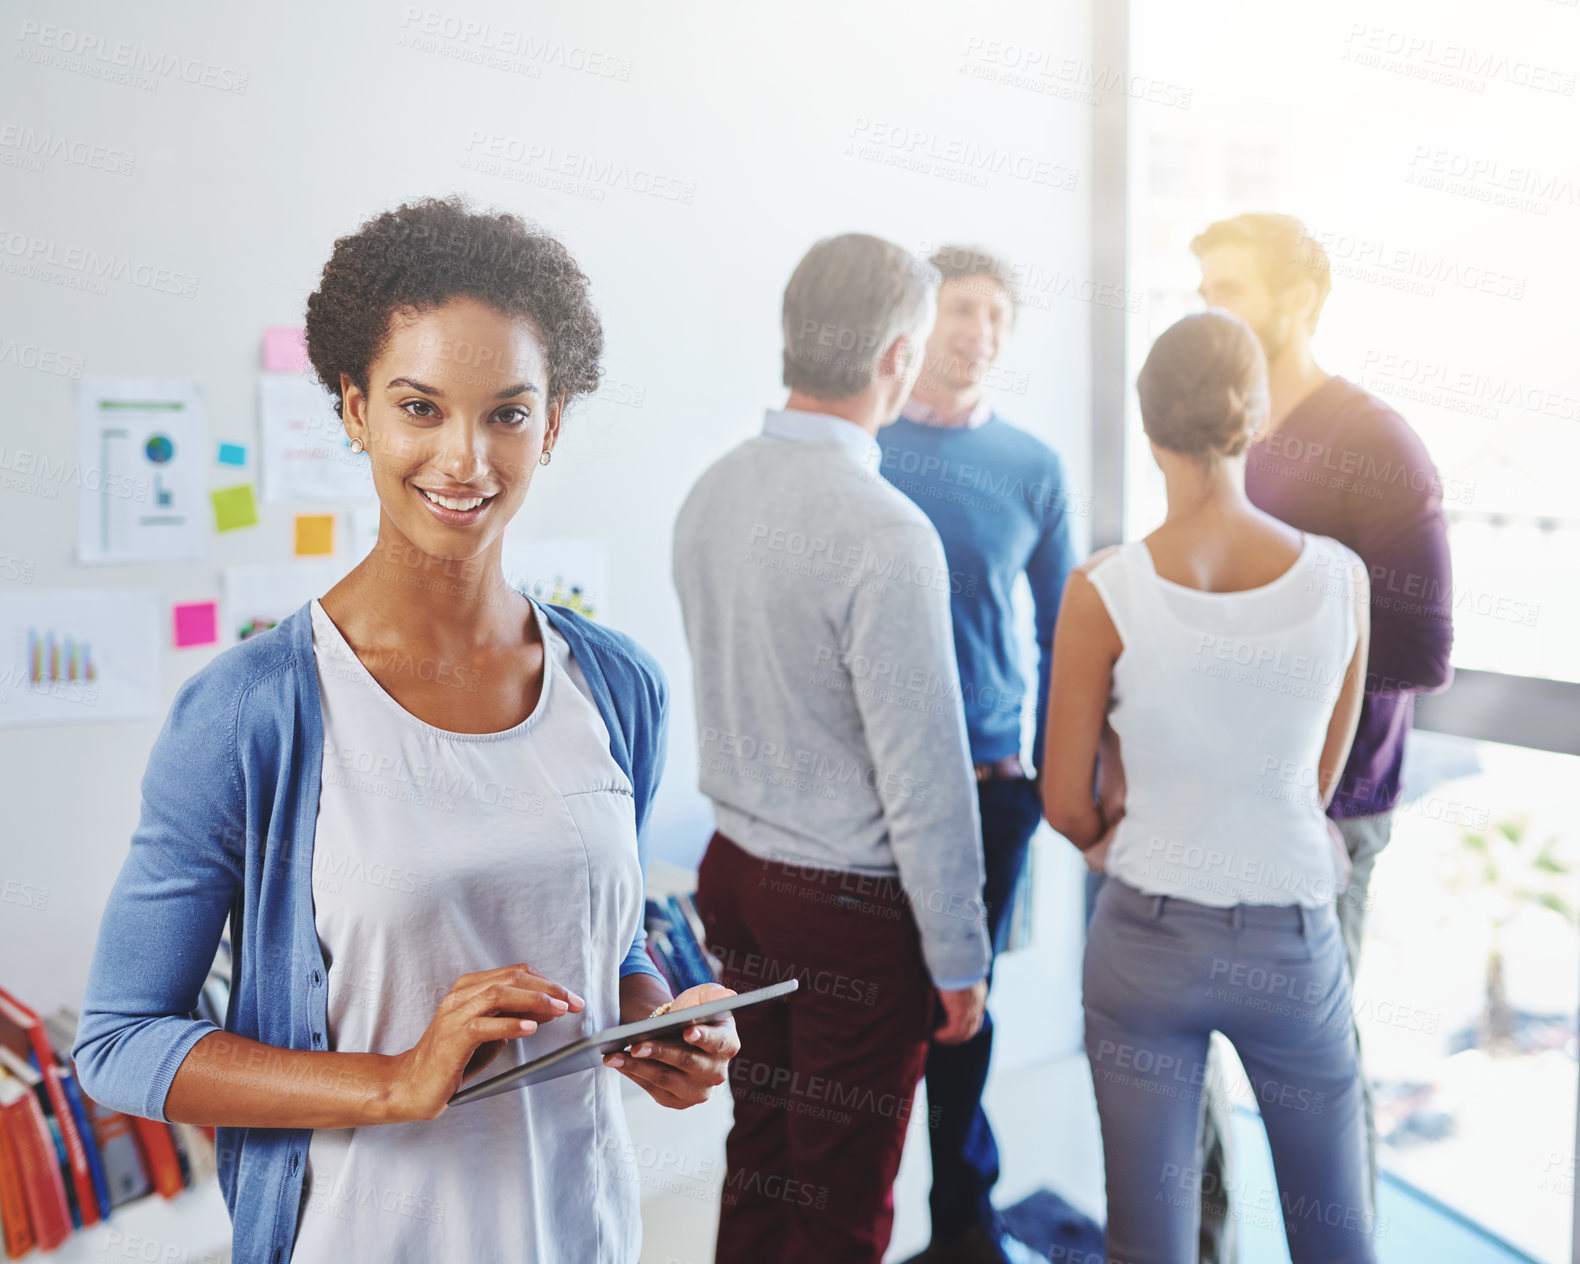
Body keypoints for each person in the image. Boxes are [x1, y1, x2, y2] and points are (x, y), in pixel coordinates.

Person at [73, 196, 738, 1264]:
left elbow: (602, 942)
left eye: (507, 413)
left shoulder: (618, 687)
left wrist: (656, 1019)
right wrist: (392, 1079)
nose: (465, 459)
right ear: (353, 408)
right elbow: (119, 1041)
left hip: (582, 1232)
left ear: (553, 421)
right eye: (420, 407)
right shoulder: (254, 710)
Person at [673, 233, 993, 1264]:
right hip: (848, 910)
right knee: (840, 1201)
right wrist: (959, 956)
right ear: (897, 356)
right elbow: (925, 775)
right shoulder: (884, 530)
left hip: (734, 879)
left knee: (762, 1153)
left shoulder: (710, 490)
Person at [1042, 310, 1378, 1263]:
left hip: (1146, 942)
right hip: (1291, 946)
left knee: (1150, 1244)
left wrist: (1131, 833)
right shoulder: (1338, 580)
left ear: (1150, 432)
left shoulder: (1105, 588)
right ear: (1255, 418)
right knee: (1335, 1237)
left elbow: (1065, 805)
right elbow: (1314, 786)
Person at [1192, 212, 1455, 1243]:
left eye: (1230, 290)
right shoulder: (1216, 432)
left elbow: (1421, 648)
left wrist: (1266, 669)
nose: (1210, 310)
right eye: (1202, 290)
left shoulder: (1375, 442)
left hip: (1327, 814)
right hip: (1214, 802)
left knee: (1313, 1075)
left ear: (1297, 300)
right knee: (1182, 1057)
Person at [877, 245, 1077, 1264]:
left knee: (963, 1010)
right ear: (921, 319)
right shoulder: (859, 444)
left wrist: (1046, 774)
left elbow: (1064, 632)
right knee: (880, 1012)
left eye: (997, 315)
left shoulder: (1033, 467)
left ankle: (960, 1220)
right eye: (962, 309)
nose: (979, 332)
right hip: (869, 787)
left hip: (991, 786)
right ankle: (872, 1214)